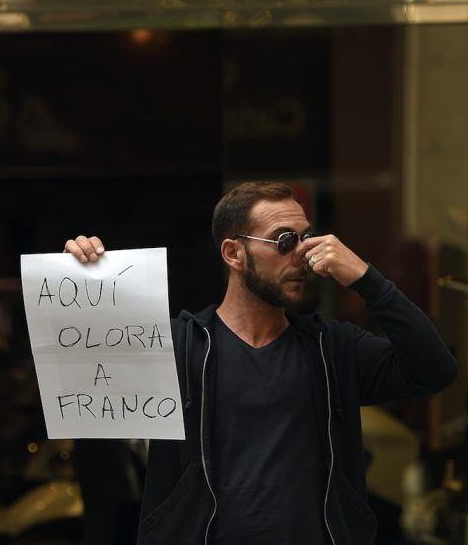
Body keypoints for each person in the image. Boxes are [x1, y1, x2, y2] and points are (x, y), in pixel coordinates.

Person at [64, 181, 457, 545]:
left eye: (307, 238)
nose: (303, 254)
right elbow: (78, 380)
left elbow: (435, 368)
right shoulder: (176, 345)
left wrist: (366, 279)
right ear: (234, 253)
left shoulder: (332, 348)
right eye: (285, 240)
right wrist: (81, 282)